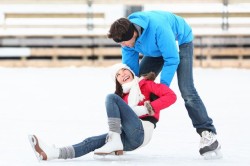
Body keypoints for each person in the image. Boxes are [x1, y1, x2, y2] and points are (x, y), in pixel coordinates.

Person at [107, 10, 222, 159]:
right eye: (120, 43)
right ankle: (132, 129)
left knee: (187, 90)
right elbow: (132, 72)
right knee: (138, 84)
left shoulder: (158, 28)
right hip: (156, 50)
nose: (123, 45)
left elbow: (172, 59)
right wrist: (131, 87)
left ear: (134, 34)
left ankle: (208, 133)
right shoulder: (125, 34)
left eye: (124, 42)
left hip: (180, 42)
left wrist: (163, 87)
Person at [28, 63, 176, 161]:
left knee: (111, 98)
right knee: (90, 141)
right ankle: (54, 153)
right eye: (118, 74)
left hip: (143, 130)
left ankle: (114, 140)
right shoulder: (122, 98)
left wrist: (146, 108)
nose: (122, 73)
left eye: (124, 69)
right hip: (129, 139)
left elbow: (171, 96)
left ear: (130, 71)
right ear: (118, 82)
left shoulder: (146, 84)